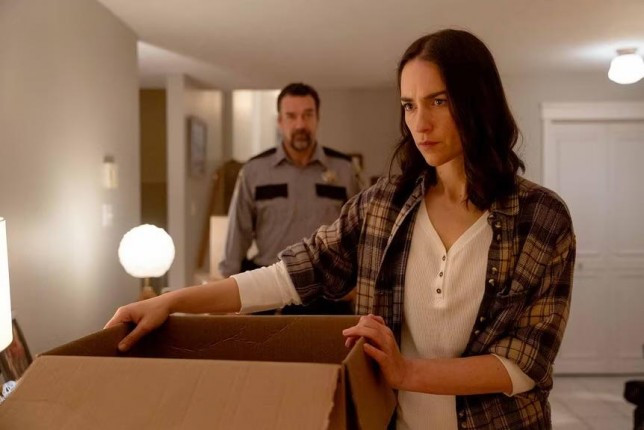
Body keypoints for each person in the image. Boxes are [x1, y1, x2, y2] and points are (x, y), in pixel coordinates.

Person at [106, 29, 575, 429]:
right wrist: (171, 302)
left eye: (438, 101)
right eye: (409, 105)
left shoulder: (541, 219)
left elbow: (523, 364)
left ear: (478, 102)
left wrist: (405, 372)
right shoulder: (384, 205)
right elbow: (289, 274)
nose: (420, 123)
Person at [218, 82, 361, 314]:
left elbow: (360, 234)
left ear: (318, 118)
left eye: (307, 115)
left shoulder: (345, 170)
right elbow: (238, 235)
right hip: (270, 293)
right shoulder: (254, 171)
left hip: (329, 294)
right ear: (280, 121)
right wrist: (229, 297)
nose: (300, 124)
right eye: (291, 116)